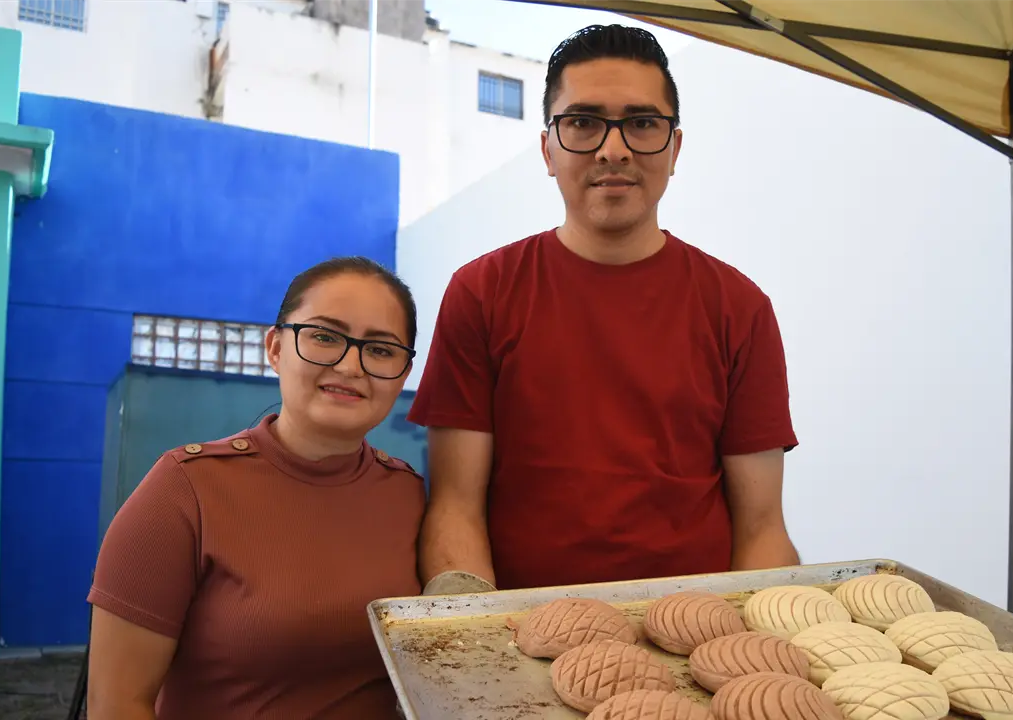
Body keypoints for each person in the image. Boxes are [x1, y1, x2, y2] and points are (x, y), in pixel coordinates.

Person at [409, 24, 800, 597]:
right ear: (547, 148)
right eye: (583, 122)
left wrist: (751, 648)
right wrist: (473, 645)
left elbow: (762, 525)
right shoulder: (481, 292)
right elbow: (455, 506)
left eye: (642, 124)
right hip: (520, 634)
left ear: (674, 148)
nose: (612, 149)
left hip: (695, 639)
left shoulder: (740, 308)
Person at [86, 257, 423, 719]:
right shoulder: (185, 490)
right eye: (324, 337)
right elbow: (116, 704)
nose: (350, 365)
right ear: (276, 348)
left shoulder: (411, 497)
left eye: (381, 349)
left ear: (403, 374)